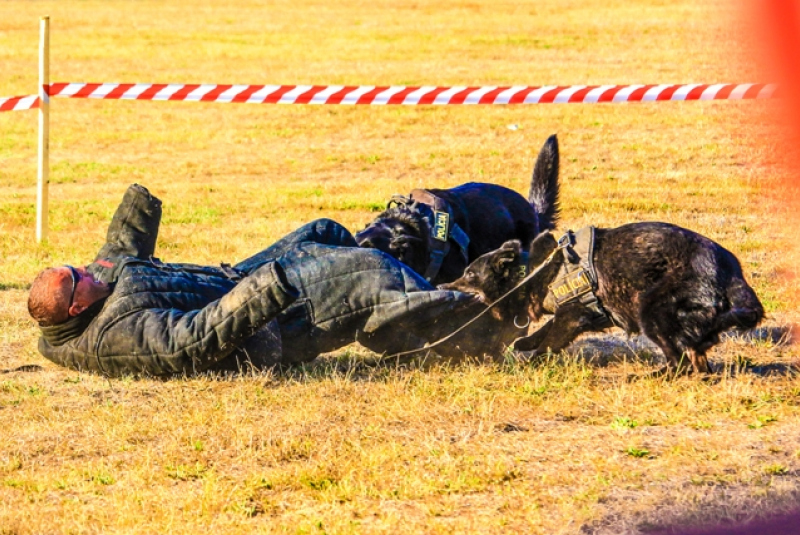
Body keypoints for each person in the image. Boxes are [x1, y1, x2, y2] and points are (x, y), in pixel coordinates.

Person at [27, 184, 485, 377]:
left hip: (242, 283)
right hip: (269, 326)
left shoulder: (91, 294)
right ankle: (474, 317)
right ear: (75, 307)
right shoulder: (118, 335)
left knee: (322, 233)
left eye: (76, 267)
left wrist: (138, 202)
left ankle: (413, 275)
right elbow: (195, 338)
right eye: (77, 278)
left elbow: (117, 253)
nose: (86, 269)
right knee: (364, 272)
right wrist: (269, 285)